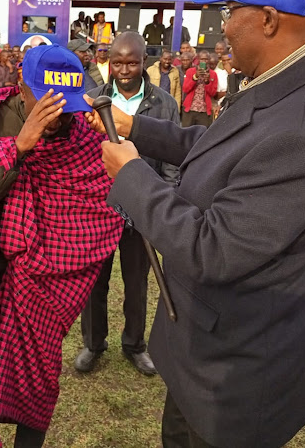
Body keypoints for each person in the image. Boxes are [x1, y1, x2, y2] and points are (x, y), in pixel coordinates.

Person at [85, 0, 305, 448]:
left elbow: (214, 250)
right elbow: (216, 146)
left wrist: (133, 174)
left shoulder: (302, 127)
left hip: (234, 378)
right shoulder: (283, 79)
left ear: (270, 19)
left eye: (230, 11)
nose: (222, 27)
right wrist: (134, 127)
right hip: (204, 354)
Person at [0, 44, 123, 447]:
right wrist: (19, 145)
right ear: (22, 87)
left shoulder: (82, 133)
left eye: (67, 102)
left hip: (46, 281)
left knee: (38, 375)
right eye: (48, 101)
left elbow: (96, 205)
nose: (60, 114)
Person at [78, 32, 179, 376]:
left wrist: (165, 199)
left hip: (143, 203)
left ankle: (135, 344)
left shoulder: (165, 103)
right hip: (100, 209)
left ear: (144, 63)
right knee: (95, 282)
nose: (124, 69)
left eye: (132, 62)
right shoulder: (92, 99)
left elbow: (172, 158)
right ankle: (93, 343)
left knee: (137, 282)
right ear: (109, 61)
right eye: (117, 62)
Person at [181, 52, 218, 127]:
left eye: (206, 59)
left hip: (204, 111)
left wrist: (207, 82)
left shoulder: (213, 74)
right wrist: (195, 77)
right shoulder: (190, 71)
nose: (204, 61)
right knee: (186, 133)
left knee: (202, 134)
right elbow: (185, 89)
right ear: (198, 59)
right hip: (190, 109)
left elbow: (213, 93)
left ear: (209, 60)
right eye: (202, 59)